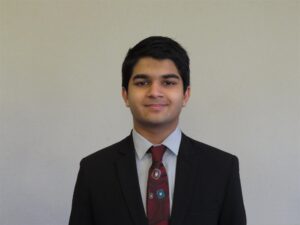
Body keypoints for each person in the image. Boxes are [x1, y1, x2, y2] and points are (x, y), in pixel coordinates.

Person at [69, 36, 246, 225]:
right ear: (125, 95)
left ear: (186, 94)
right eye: (142, 82)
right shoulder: (94, 170)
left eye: (168, 83)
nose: (154, 92)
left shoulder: (221, 168)